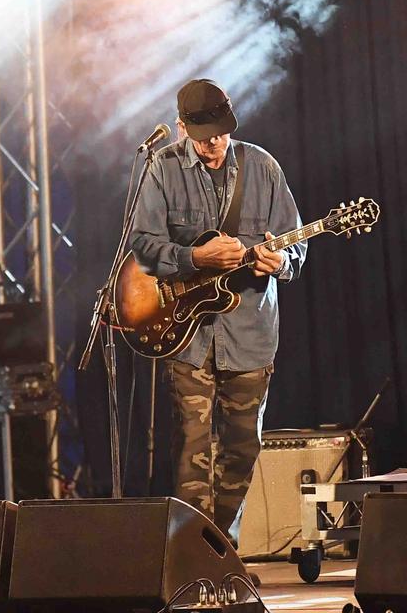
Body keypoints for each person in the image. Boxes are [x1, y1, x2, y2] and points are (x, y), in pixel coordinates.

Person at [130, 78, 306, 541]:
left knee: (242, 449)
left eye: (221, 134)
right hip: (186, 333)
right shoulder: (162, 168)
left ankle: (220, 549)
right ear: (181, 126)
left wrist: (281, 262)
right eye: (202, 134)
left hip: (250, 334)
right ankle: (191, 558)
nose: (213, 144)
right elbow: (142, 246)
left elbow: (295, 245)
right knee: (192, 449)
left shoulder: (262, 167)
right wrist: (195, 258)